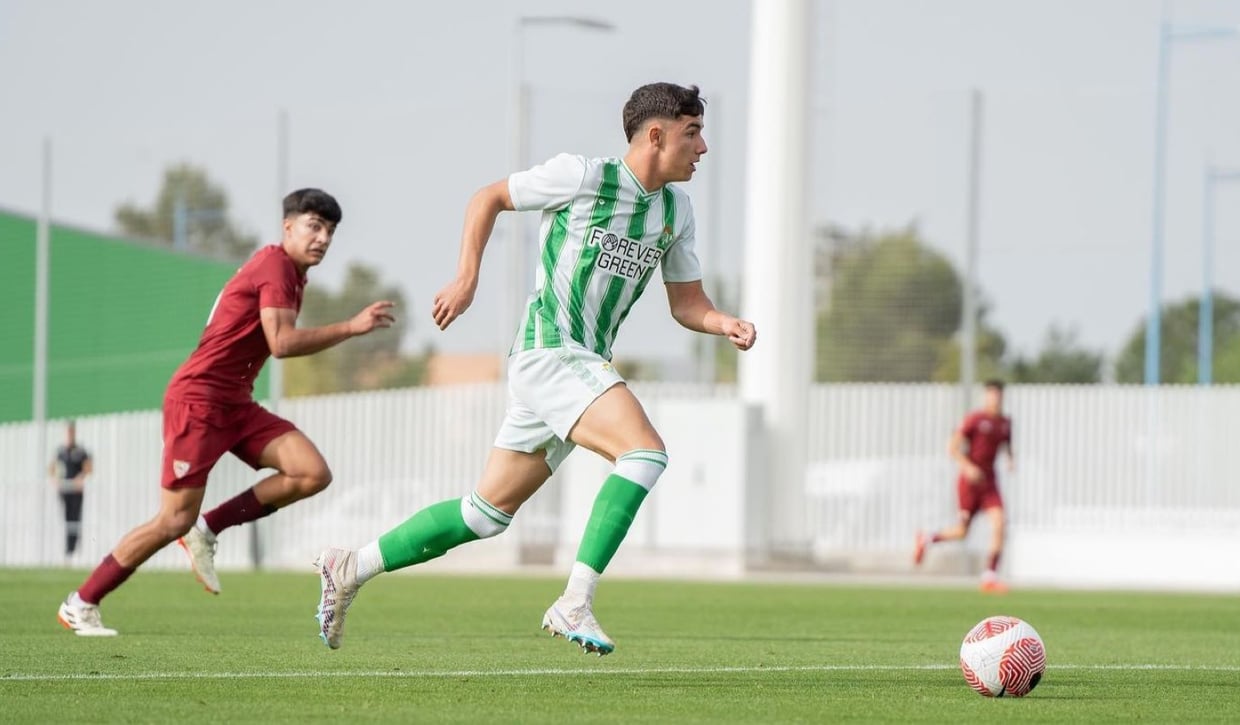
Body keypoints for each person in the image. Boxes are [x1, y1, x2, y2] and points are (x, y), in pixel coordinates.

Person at [313, 82, 756, 655]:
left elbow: (686, 303)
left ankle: (351, 566)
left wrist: (722, 323)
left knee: (484, 515)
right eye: (693, 133)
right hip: (549, 350)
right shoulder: (583, 177)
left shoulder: (676, 211)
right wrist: (467, 277)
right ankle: (575, 599)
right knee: (644, 453)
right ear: (656, 134)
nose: (703, 148)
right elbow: (487, 197)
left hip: (576, 366)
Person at [57, 188, 396, 636]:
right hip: (199, 402)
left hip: (235, 402)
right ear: (287, 226)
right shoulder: (275, 266)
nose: (323, 238)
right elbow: (282, 344)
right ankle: (81, 602)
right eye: (314, 225)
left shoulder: (293, 274)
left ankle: (208, 528)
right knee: (171, 519)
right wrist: (351, 328)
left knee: (310, 472)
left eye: (330, 230)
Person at [913, 379, 1014, 593]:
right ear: (986, 396)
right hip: (968, 484)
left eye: (998, 394)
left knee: (1000, 523)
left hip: (990, 482)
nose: (994, 398)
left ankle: (990, 576)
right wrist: (967, 467)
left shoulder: (1005, 423)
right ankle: (927, 538)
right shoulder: (975, 420)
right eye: (991, 394)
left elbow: (1007, 445)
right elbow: (952, 447)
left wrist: (1011, 459)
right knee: (962, 532)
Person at [49, 421, 93, 558]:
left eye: (71, 432)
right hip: (64, 490)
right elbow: (52, 468)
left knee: (75, 518)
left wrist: (80, 478)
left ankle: (74, 550)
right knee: (66, 518)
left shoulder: (80, 452)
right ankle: (68, 550)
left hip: (76, 491)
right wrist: (55, 480)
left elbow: (88, 468)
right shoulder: (60, 451)